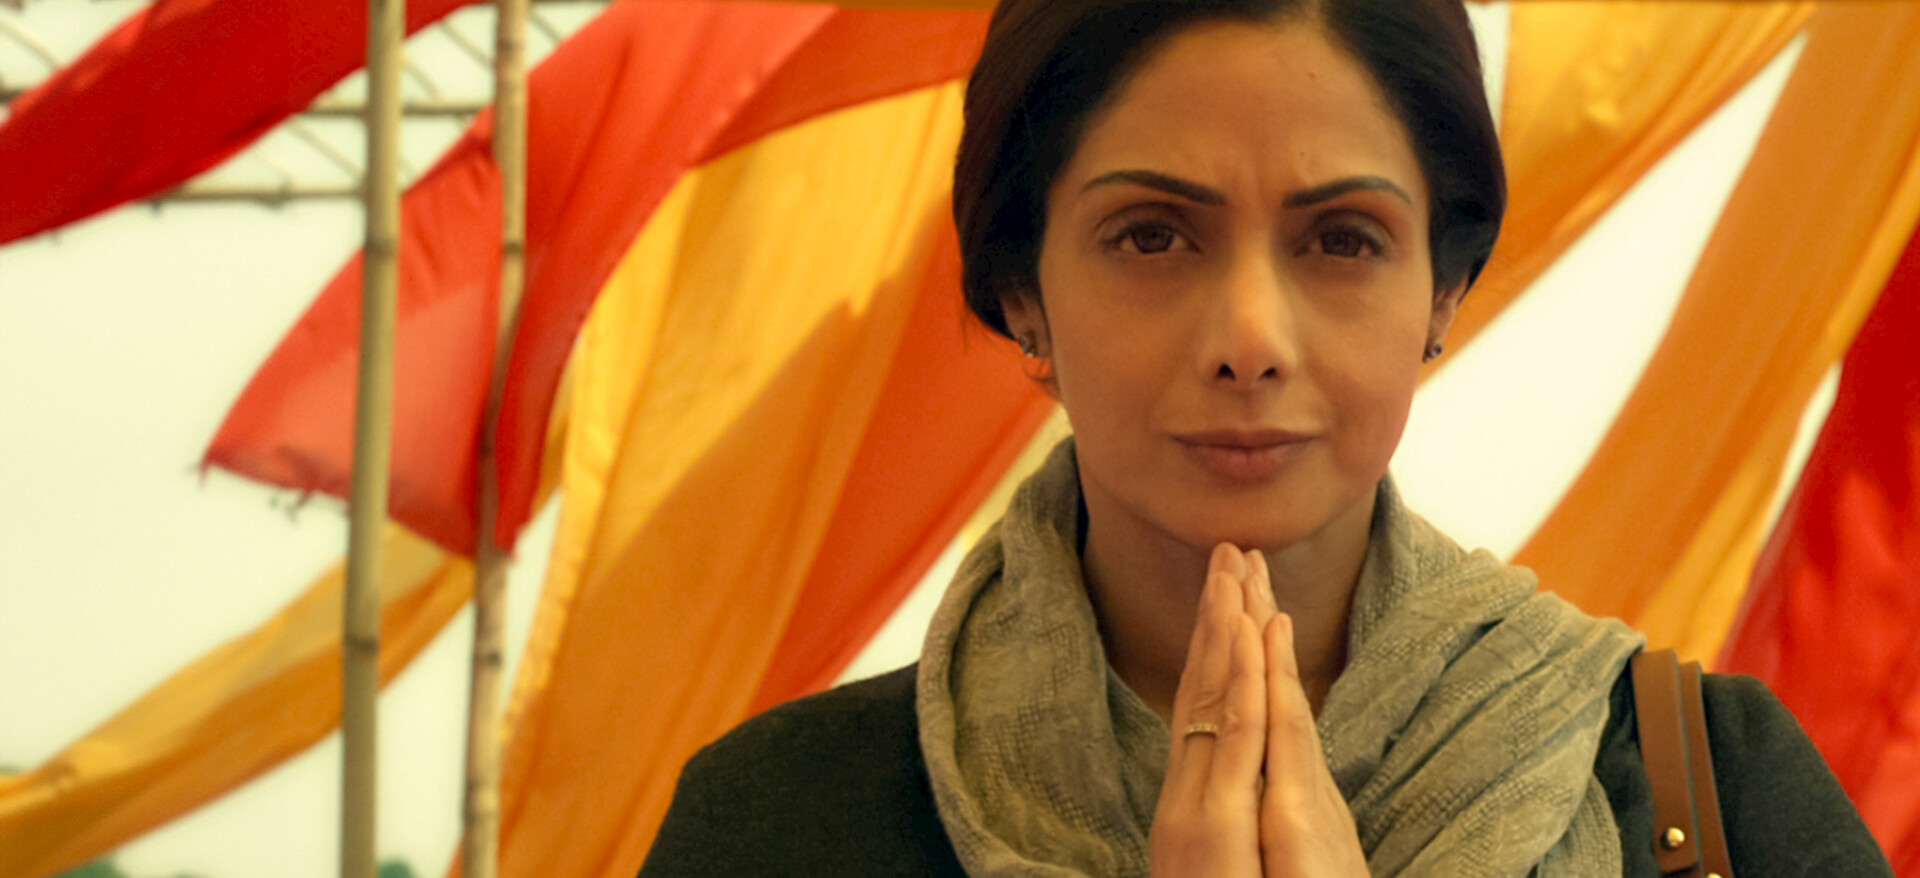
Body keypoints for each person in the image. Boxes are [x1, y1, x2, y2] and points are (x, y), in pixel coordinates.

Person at [639, 0, 1893, 875]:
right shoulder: (778, 822)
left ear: (1443, 292)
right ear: (1023, 292)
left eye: (1341, 239)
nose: (1250, 336)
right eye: (1152, 235)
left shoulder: (1708, 786)